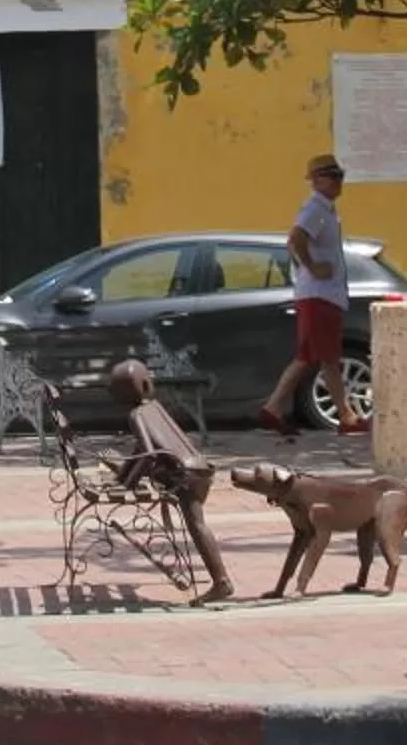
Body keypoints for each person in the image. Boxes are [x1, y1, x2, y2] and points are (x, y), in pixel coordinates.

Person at [106, 359, 234, 604]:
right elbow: (141, 449)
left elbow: (148, 454)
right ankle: (221, 581)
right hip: (199, 468)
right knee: (197, 524)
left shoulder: (136, 415)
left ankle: (221, 581)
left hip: (186, 475)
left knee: (197, 526)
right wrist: (122, 476)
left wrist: (126, 485)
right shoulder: (153, 407)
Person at [259, 153, 368, 438]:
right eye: (332, 176)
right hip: (320, 296)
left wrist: (305, 268)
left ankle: (273, 406)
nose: (338, 181)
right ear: (317, 180)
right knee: (328, 358)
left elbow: (292, 243)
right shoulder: (316, 208)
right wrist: (311, 267)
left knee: (309, 356)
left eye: (340, 175)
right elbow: (296, 238)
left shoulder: (325, 209)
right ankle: (346, 416)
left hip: (321, 294)